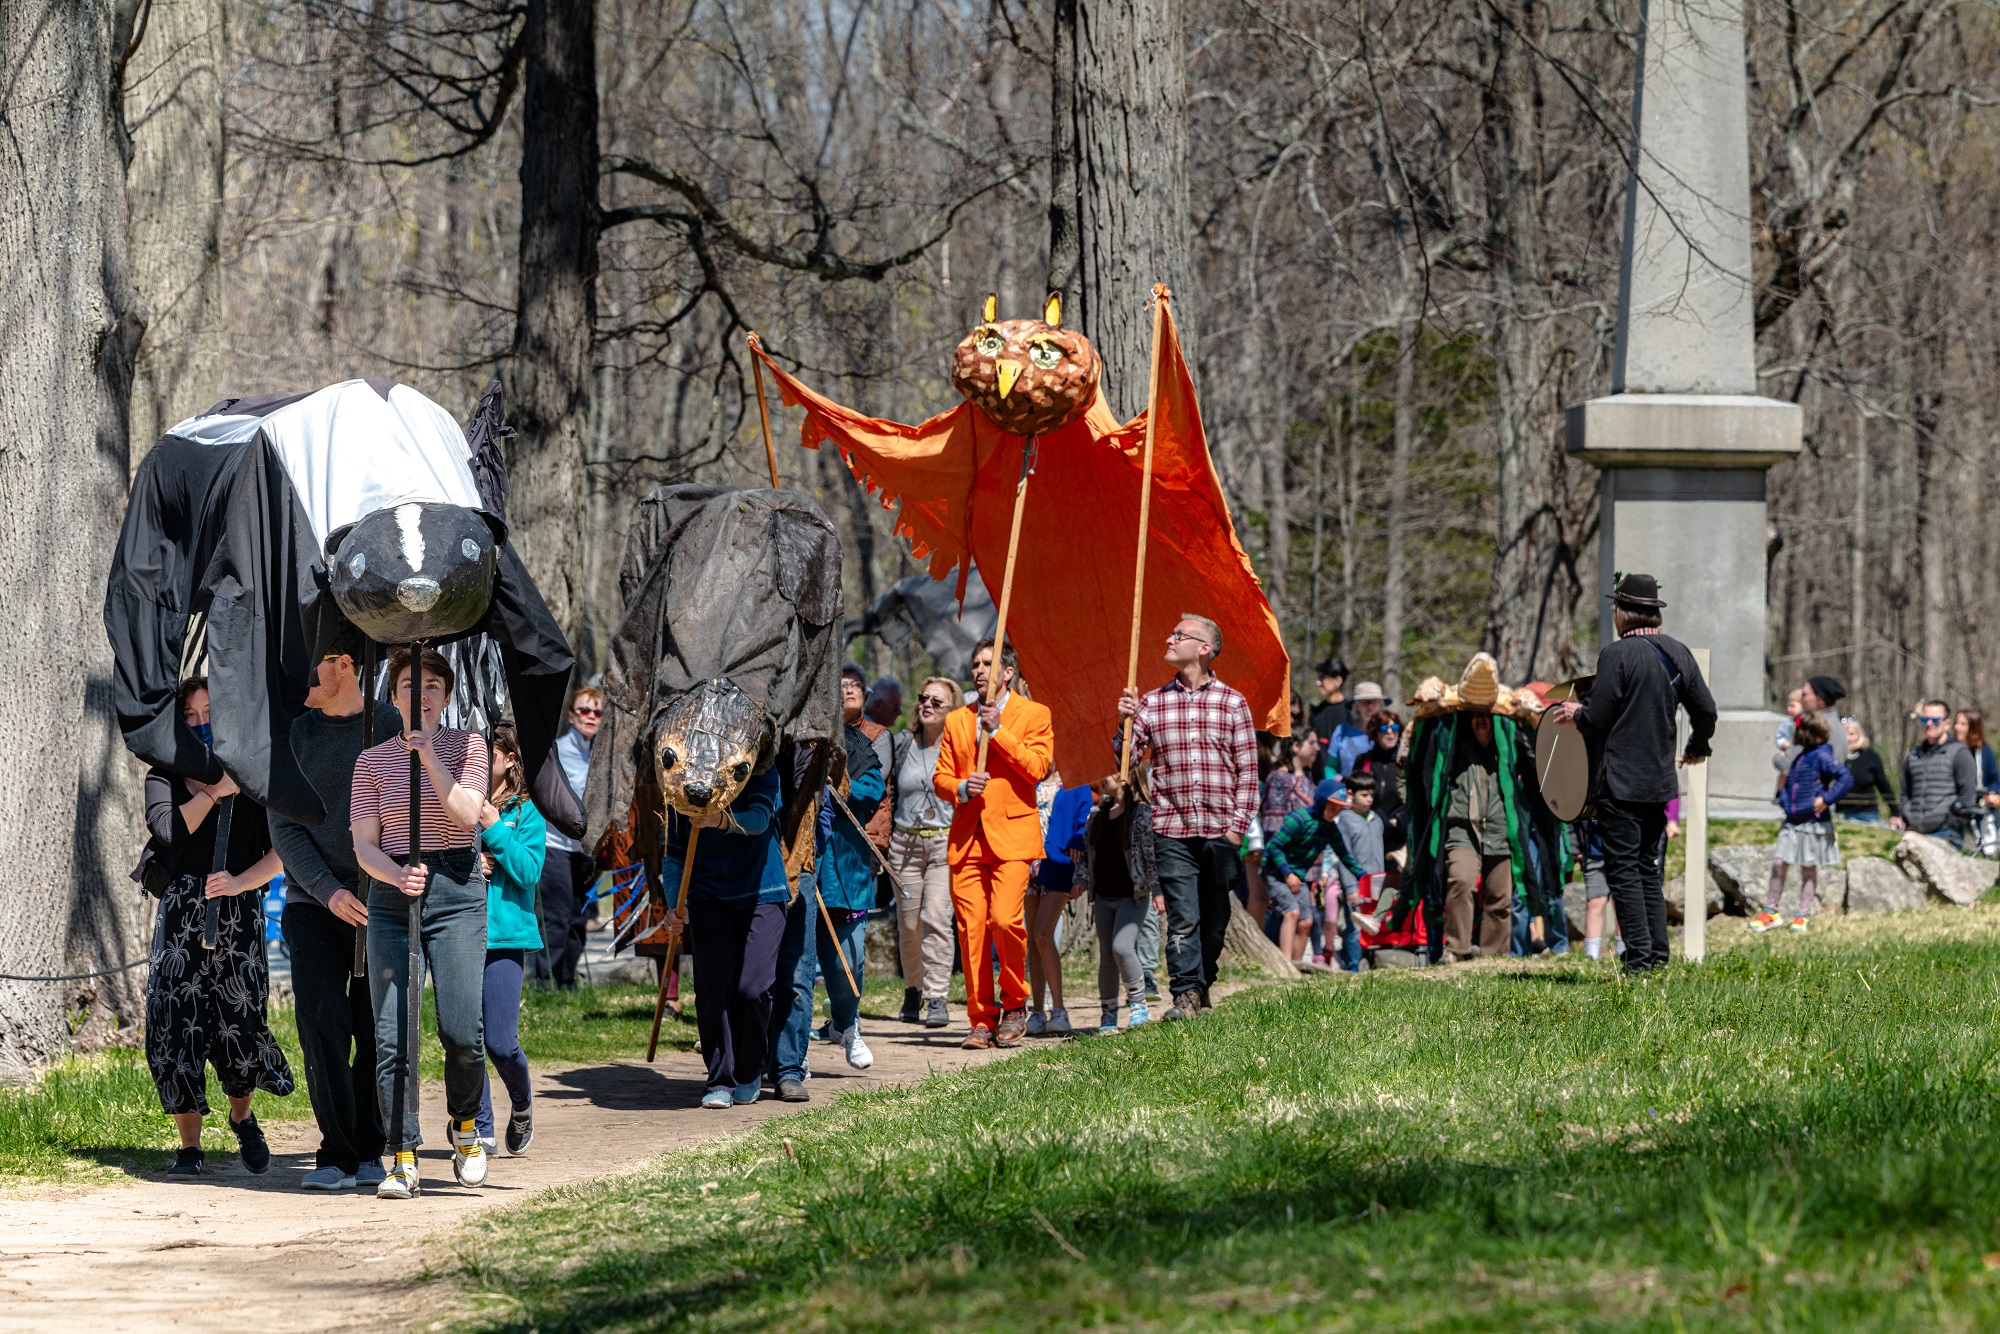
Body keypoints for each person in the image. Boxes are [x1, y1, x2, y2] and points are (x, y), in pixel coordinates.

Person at [351, 646, 492, 1199]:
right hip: (394, 898)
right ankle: (402, 1156)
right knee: (394, 1037)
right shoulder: (372, 760)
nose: (422, 695)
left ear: (447, 697)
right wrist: (392, 874)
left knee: (462, 1032)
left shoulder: (469, 747)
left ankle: (463, 1126)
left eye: (433, 685)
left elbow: (465, 815)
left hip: (457, 891)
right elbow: (364, 844)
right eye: (410, 684)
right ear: (393, 696)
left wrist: (430, 757)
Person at [141, 677, 294, 1178]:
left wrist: (238, 882)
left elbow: (282, 852)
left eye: (210, 713)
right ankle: (189, 1147)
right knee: (176, 1020)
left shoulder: (254, 776)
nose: (202, 723)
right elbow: (166, 828)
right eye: (191, 716)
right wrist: (214, 791)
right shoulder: (162, 774)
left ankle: (242, 1118)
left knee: (239, 1021)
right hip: (183, 913)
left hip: (238, 911)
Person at [268, 628, 400, 1191]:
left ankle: (371, 1147)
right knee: (322, 1024)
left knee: (374, 1028)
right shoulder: (293, 735)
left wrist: (380, 882)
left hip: (382, 902)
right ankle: (335, 1152)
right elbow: (284, 824)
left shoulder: (391, 727)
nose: (300, 681)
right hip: (313, 902)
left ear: (344, 663)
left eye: (311, 667)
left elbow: (408, 813)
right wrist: (326, 889)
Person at [1547, 573, 1717, 976]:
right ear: (1653, 613)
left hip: (1620, 783)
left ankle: (1639, 960)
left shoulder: (1617, 655)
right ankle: (1656, 955)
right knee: (1646, 868)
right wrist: (1697, 747)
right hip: (1659, 784)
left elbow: (1600, 717)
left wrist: (1576, 714)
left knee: (1623, 869)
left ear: (1621, 612)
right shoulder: (1678, 652)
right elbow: (1706, 710)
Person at [1116, 614, 1260, 1021]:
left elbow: (1248, 771)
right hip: (1172, 830)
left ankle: (1202, 983)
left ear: (1204, 648)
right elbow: (1125, 762)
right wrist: (1123, 722)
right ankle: (1184, 997)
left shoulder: (1232, 703)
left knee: (1215, 919)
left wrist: (1236, 830)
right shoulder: (1152, 703)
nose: (1169, 637)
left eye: (1179, 635)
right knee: (1182, 918)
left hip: (1219, 830)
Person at [935, 637, 1054, 1049]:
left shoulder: (1035, 714)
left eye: (988, 663)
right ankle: (981, 1019)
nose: (979, 670)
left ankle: (1016, 1003)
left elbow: (1038, 768)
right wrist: (963, 787)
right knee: (971, 932)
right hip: (967, 840)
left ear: (1008, 673)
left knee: (1005, 921)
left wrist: (998, 732)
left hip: (1014, 838)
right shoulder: (955, 721)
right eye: (975, 663)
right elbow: (941, 778)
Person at [662, 755, 788, 1109]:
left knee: (753, 988)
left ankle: (750, 1070)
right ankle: (720, 1078)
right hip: (706, 895)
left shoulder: (761, 767)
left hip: (763, 892)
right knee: (712, 988)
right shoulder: (681, 779)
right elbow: (673, 855)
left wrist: (719, 820)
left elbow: (760, 819)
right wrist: (676, 904)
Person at [473, 722, 546, 1154]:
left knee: (500, 1041)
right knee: (465, 1037)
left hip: (505, 937)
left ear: (511, 760)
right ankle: (479, 1126)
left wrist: (494, 829)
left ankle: (522, 1105)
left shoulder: (527, 812)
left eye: (491, 753)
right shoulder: (457, 802)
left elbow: (529, 871)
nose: (482, 759)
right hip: (458, 932)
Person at [889, 677, 960, 1028]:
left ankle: (936, 997)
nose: (928, 704)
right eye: (923, 698)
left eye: (937, 701)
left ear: (952, 710)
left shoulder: (958, 747)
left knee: (935, 917)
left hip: (944, 843)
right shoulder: (904, 743)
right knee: (907, 925)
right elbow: (889, 792)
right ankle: (913, 990)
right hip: (904, 845)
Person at [1752, 711, 1851, 934]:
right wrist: (1785, 803)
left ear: (1806, 732)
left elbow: (1845, 778)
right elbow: (1788, 781)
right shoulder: (1800, 757)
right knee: (1779, 863)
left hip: (1811, 822)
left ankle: (1802, 915)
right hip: (1792, 820)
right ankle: (1771, 912)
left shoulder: (1823, 756)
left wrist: (1826, 799)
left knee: (1808, 868)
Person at [1076, 771, 1159, 1033]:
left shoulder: (1141, 815)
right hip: (1103, 897)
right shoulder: (1096, 815)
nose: (1102, 777)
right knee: (1107, 959)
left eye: (1109, 772)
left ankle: (1138, 1005)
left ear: (1126, 777)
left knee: (1122, 947)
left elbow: (1151, 855)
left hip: (1132, 896)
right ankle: (1108, 1014)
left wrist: (1157, 888)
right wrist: (1081, 879)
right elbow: (1087, 853)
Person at [1263, 778, 1364, 967]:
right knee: (1292, 912)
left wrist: (1364, 877)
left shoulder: (1330, 829)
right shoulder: (1298, 819)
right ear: (1321, 802)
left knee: (1306, 922)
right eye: (1332, 808)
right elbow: (1273, 847)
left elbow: (1345, 856)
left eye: (1339, 810)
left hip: (1297, 877)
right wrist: (1287, 873)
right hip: (1275, 873)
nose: (1335, 813)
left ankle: (1296, 965)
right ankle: (1284, 967)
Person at [537, 686, 599, 989]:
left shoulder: (601, 754)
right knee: (557, 917)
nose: (591, 717)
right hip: (556, 846)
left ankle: (568, 979)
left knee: (579, 916)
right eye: (585, 710)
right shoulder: (558, 750)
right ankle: (545, 982)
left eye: (597, 712)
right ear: (572, 716)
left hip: (586, 850)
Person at [1026, 772, 1093, 1036]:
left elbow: (1086, 817)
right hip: (1029, 861)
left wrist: (1078, 837)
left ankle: (1060, 1010)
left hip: (1059, 863)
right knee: (1033, 939)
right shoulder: (1031, 780)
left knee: (1043, 933)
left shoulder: (1076, 782)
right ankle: (1038, 1011)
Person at [1892, 700, 1978, 847]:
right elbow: (1905, 792)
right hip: (1915, 832)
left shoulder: (1959, 753)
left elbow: (1967, 794)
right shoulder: (1913, 755)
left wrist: (1952, 822)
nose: (1929, 724)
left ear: (1947, 723)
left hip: (1946, 833)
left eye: (1935, 720)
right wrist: (1905, 815)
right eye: (1925, 719)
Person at [1331, 778, 1386, 970]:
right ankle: (1353, 964)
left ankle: (1370, 960)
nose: (1369, 799)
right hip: (1355, 885)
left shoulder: (1377, 819)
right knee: (1354, 926)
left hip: (1376, 883)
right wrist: (1350, 888)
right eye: (1364, 795)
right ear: (1350, 794)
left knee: (1374, 924)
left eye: (1371, 795)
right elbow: (1344, 856)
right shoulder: (1344, 821)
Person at [1347, 712, 1406, 852]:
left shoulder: (1406, 762)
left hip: (1399, 836)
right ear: (1375, 733)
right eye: (1384, 729)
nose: (1390, 733)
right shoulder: (1363, 761)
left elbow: (1414, 798)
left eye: (1395, 728)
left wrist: (1399, 820)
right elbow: (1352, 795)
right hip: (1368, 832)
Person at [1773, 676, 1848, 777]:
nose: (1801, 699)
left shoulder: (1812, 726)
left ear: (1819, 698)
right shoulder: (1839, 724)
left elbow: (1788, 764)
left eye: (1804, 694)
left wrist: (1778, 757)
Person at [1837, 718, 1896, 822]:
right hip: (1841, 814)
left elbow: (1883, 785)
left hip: (1867, 815)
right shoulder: (1836, 757)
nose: (1848, 738)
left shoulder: (1870, 756)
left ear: (1859, 735)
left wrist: (1895, 812)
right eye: (1844, 734)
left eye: (1851, 734)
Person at [1329, 681, 1391, 778]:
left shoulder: (1388, 731)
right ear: (1356, 706)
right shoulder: (1342, 731)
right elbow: (1330, 768)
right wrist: (1336, 785)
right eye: (1365, 702)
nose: (1370, 707)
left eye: (1374, 702)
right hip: (1347, 790)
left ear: (1380, 705)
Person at [1308, 658, 1352, 755]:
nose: (1318, 683)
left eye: (1322, 678)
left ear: (1338, 681)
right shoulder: (1316, 713)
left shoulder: (1352, 711)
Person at [1955, 710, 2000, 803]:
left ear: (1973, 727)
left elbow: (1995, 781)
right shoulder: (1950, 751)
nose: (1956, 727)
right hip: (1958, 806)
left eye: (1962, 724)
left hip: (1981, 806)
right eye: (1957, 723)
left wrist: (1991, 793)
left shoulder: (1985, 751)